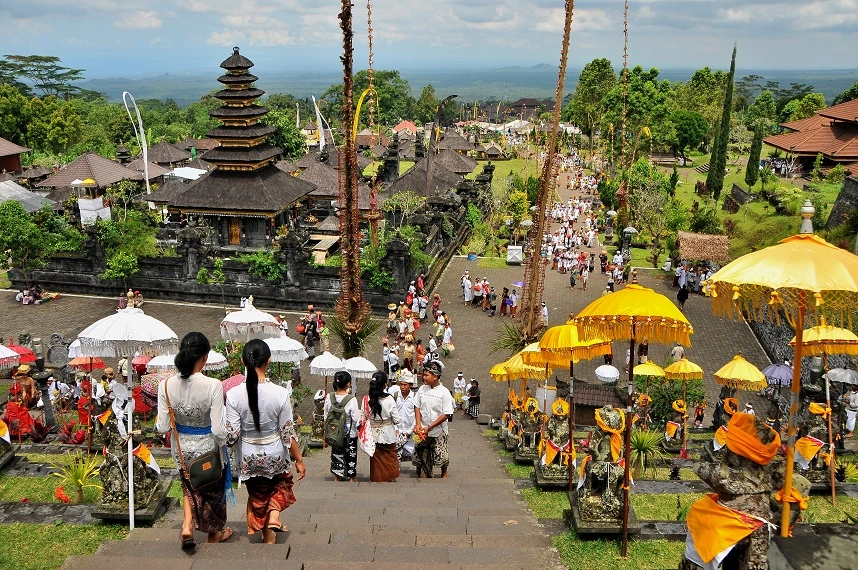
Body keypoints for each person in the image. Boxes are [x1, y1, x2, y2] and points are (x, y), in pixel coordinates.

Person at [225, 339, 306, 543]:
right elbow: (287, 432)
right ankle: (275, 515)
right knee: (282, 484)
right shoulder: (280, 393)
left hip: (248, 456)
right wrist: (299, 459)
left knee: (258, 496)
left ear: (243, 361)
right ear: (268, 361)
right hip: (275, 454)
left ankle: (268, 534)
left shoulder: (233, 395)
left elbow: (231, 434)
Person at [156, 332, 231, 549]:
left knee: (189, 485)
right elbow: (218, 430)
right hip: (208, 448)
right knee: (212, 493)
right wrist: (227, 441)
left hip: (181, 450)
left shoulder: (165, 385)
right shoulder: (213, 385)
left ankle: (187, 525)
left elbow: (161, 427)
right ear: (205, 357)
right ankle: (213, 534)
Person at [413, 361, 455, 479]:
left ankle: (444, 472)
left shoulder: (444, 393)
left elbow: (446, 414)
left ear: (435, 376)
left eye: (426, 375)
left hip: (438, 429)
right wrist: (418, 424)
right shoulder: (422, 389)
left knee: (441, 454)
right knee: (423, 452)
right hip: (423, 427)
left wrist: (430, 427)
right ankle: (425, 471)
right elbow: (417, 405)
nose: (423, 377)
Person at [324, 371, 361, 482]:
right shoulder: (351, 399)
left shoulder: (329, 397)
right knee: (351, 454)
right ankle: (351, 477)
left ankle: (337, 475)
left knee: (336, 453)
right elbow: (355, 418)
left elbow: (326, 415)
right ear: (348, 384)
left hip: (334, 432)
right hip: (350, 433)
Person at [365, 371, 401, 482]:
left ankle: (377, 478)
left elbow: (363, 417)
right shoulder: (389, 399)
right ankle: (388, 478)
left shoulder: (366, 399)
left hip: (372, 433)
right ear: (385, 384)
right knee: (389, 457)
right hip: (387, 433)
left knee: (376, 459)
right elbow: (397, 419)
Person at [396, 371, 417, 460]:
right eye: (401, 384)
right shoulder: (396, 396)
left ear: (410, 385)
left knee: (413, 454)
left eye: (405, 385)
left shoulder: (415, 397)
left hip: (411, 430)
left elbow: (417, 416)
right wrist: (396, 429)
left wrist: (409, 431)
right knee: (397, 454)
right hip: (398, 431)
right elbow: (393, 414)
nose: (402, 387)